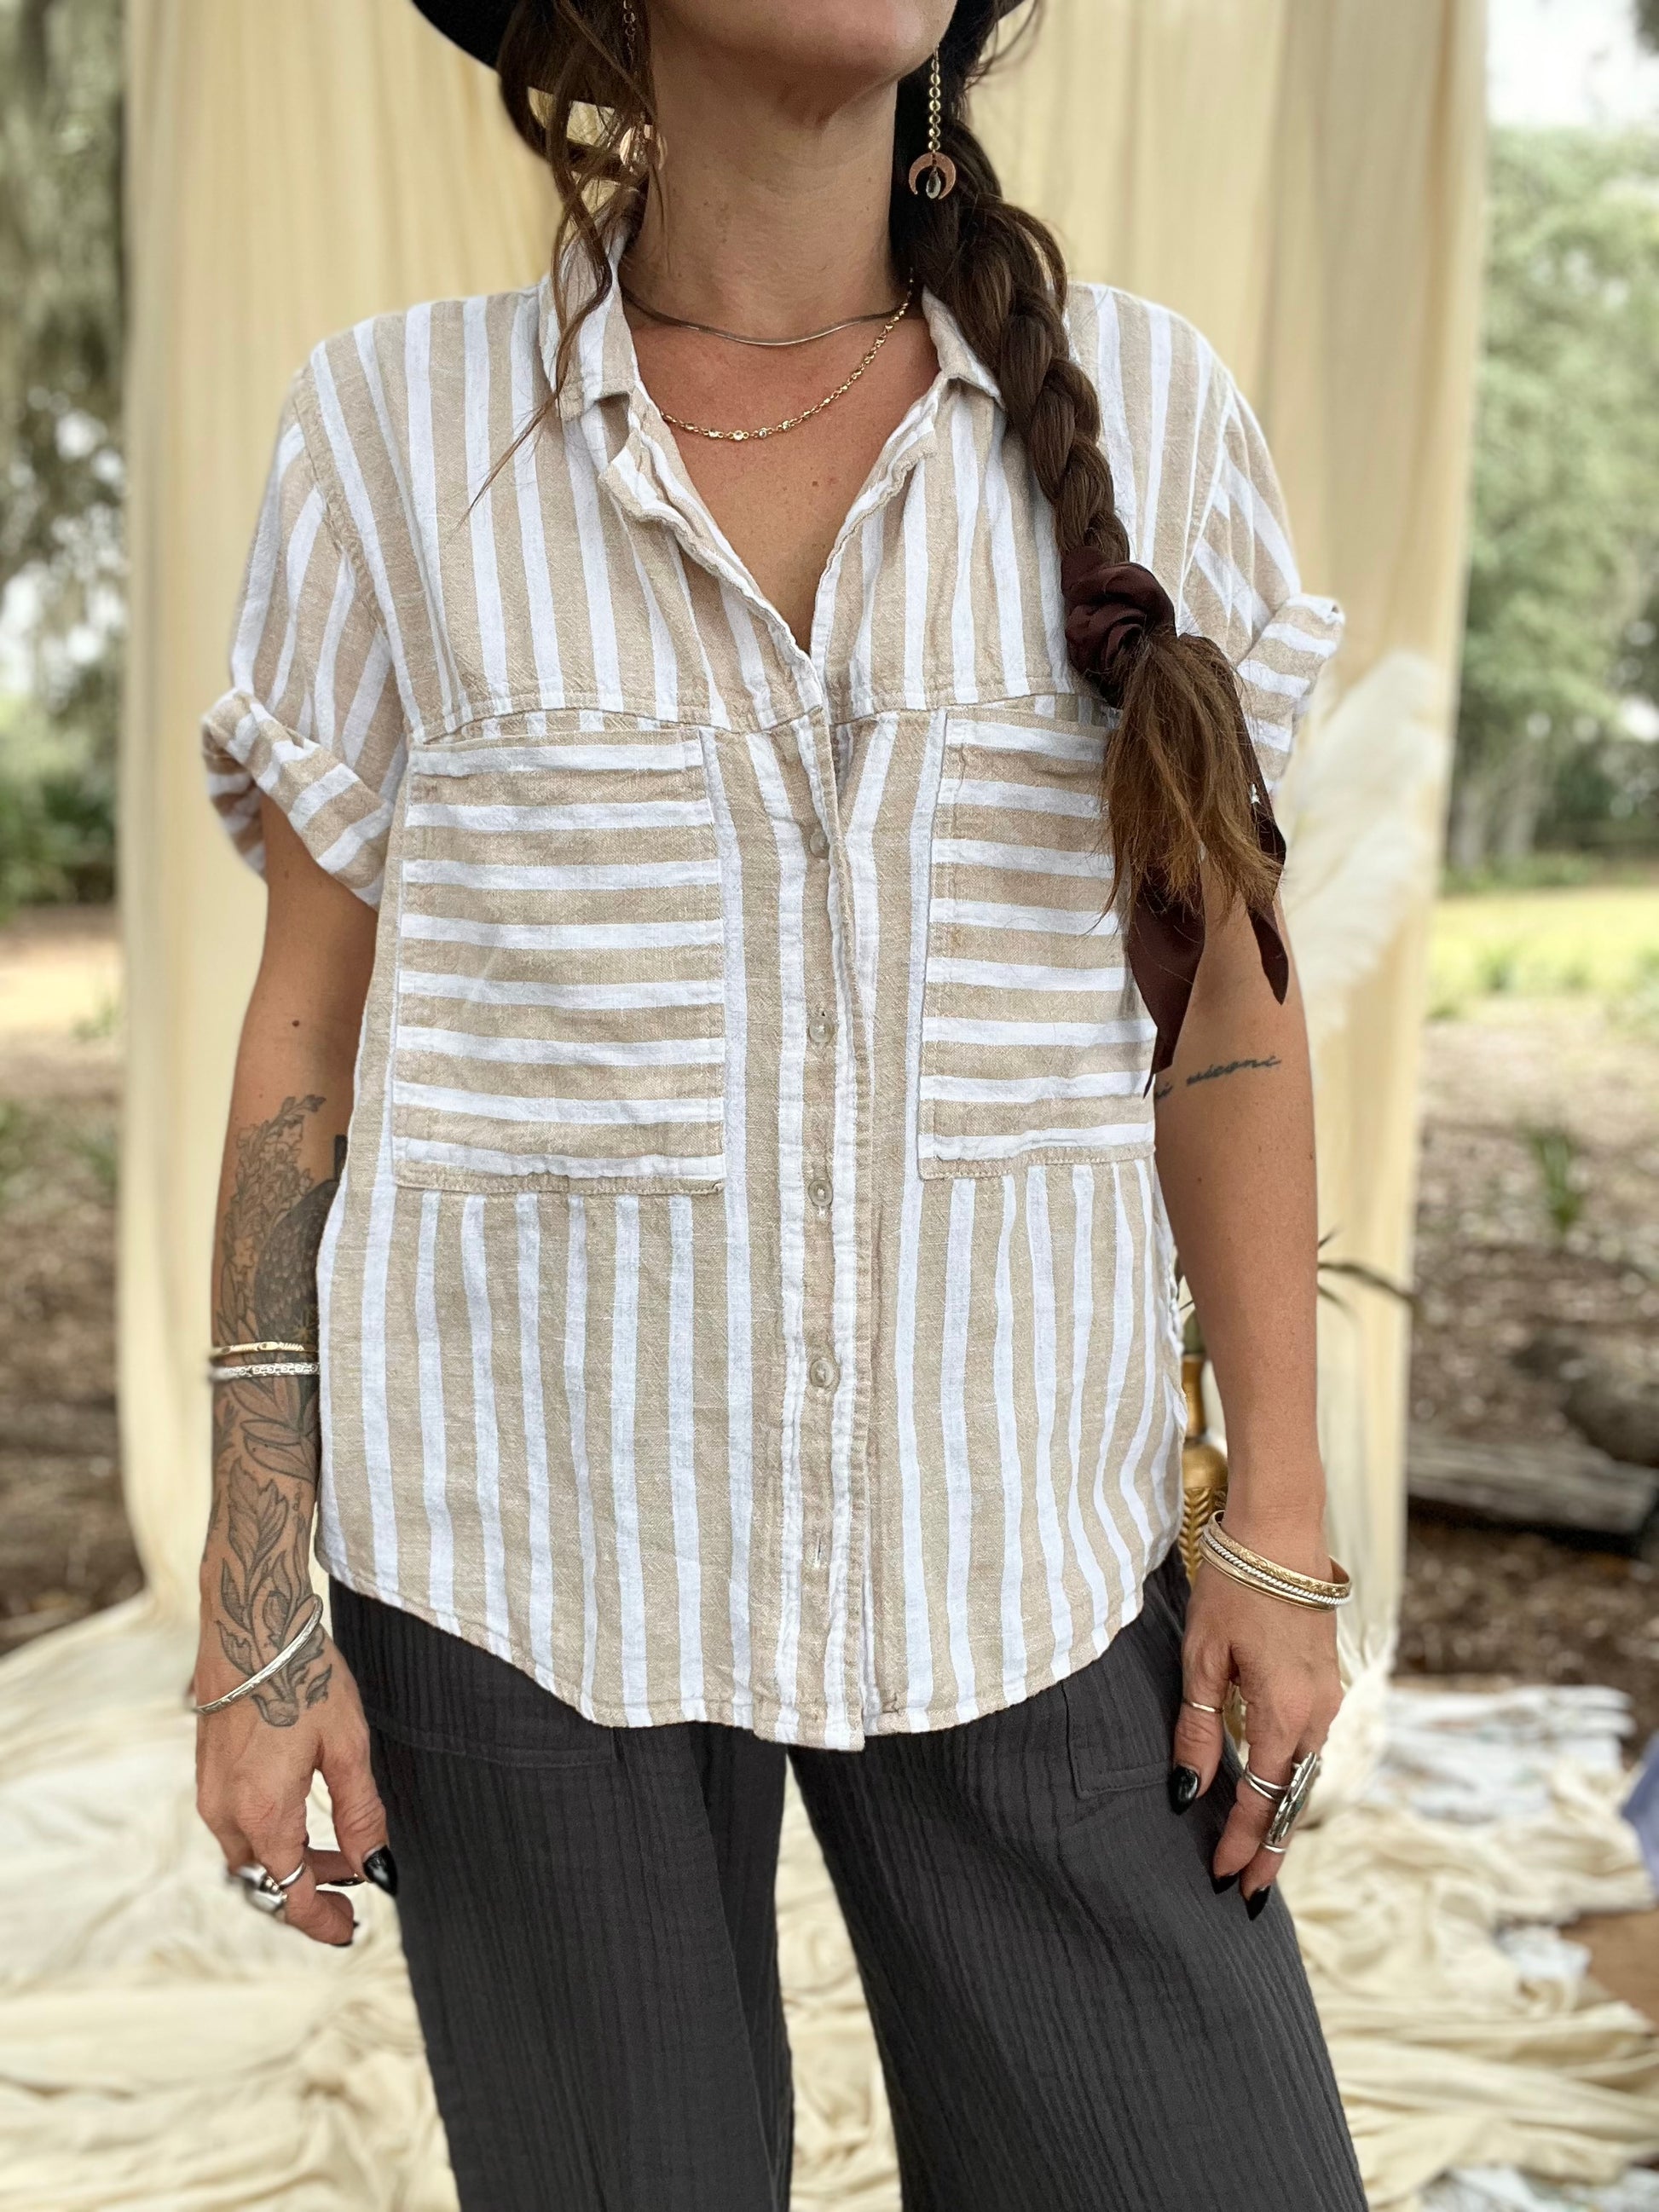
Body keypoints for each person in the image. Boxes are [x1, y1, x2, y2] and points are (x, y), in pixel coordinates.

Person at [190, 2, 1367, 2205]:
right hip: (523, 1575)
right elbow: (303, 1045)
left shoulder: (1150, 416)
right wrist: (258, 1582)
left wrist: (1273, 1526)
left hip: (1023, 1546)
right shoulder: (394, 432)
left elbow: (1228, 1015)